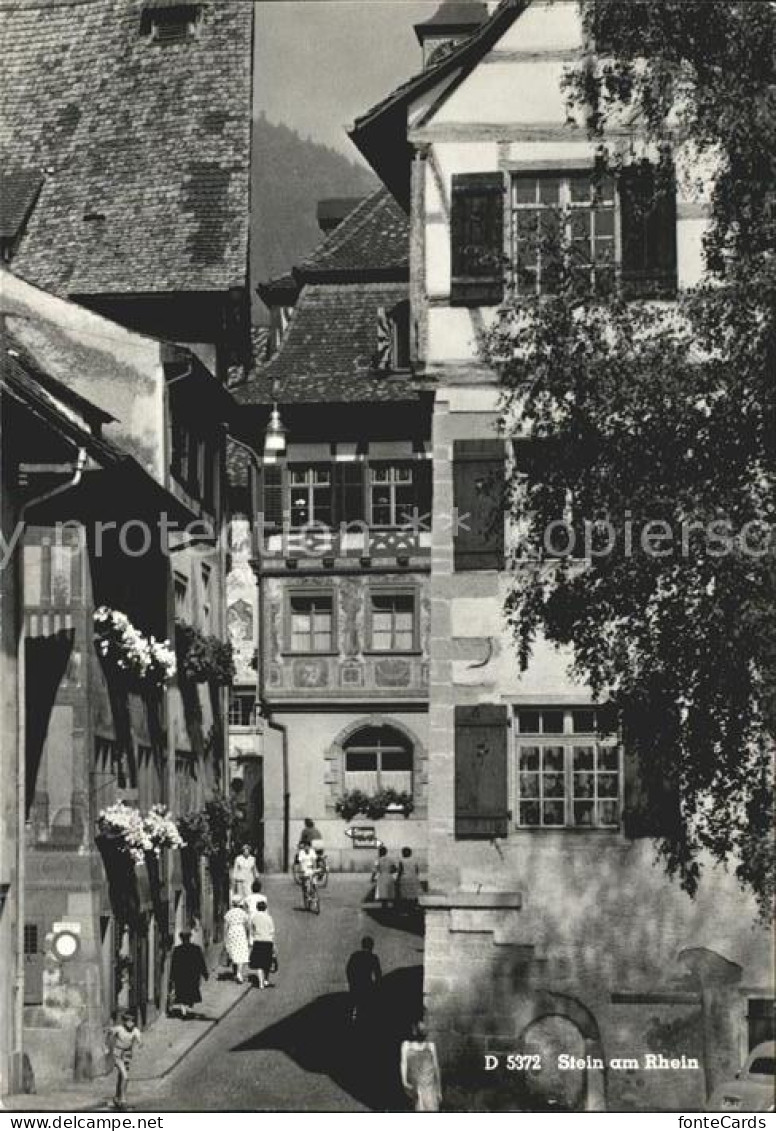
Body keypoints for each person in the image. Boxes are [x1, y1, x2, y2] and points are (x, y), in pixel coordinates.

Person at [401, 1020, 442, 1112]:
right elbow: (403, 1064)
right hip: (416, 1086)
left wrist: (439, 1090)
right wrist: (404, 1082)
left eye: (423, 1029)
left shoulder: (431, 1046)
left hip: (429, 1086)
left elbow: (436, 1068)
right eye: (420, 1029)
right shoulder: (406, 1045)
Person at [169, 930, 208, 1018]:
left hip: (181, 976)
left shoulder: (177, 950)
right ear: (190, 938)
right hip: (192, 975)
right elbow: (201, 962)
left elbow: (174, 965)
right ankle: (187, 1007)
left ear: (181, 939)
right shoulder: (196, 949)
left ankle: (183, 1009)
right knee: (191, 990)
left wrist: (172, 977)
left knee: (181, 992)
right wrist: (205, 974)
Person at [106, 1011, 141, 1110]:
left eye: (132, 1021)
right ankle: (123, 1099)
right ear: (124, 1021)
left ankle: (117, 1097)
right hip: (117, 1054)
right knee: (125, 1077)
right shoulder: (119, 1029)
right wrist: (107, 1047)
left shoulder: (135, 1031)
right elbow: (109, 1033)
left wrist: (140, 1044)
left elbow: (139, 1040)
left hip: (127, 1055)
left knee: (121, 1076)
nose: (130, 1023)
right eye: (128, 1021)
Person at [345, 935, 382, 1025]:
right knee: (366, 1005)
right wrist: (377, 985)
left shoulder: (355, 955)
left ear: (362, 945)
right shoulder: (373, 957)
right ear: (371, 946)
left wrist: (351, 981)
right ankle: (365, 1022)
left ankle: (350, 1021)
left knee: (353, 1003)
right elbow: (378, 973)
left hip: (355, 983)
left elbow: (348, 969)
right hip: (367, 984)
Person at [248, 897, 276, 989]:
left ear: (257, 908)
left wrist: (251, 940)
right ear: (265, 908)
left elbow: (251, 930)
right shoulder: (269, 917)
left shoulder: (254, 917)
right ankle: (266, 980)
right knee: (267, 962)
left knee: (259, 964)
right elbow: (272, 931)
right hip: (268, 942)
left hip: (258, 941)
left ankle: (260, 984)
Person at [223, 893, 250, 983]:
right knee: (241, 953)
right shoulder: (243, 913)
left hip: (231, 931)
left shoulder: (229, 913)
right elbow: (247, 925)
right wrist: (248, 934)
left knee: (233, 952)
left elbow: (225, 926)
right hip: (240, 931)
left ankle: (235, 973)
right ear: (239, 903)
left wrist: (225, 937)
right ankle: (239, 973)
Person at [397, 846, 421, 914]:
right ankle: (413, 909)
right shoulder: (414, 860)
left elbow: (400, 871)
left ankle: (406, 910)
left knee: (405, 895)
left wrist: (397, 880)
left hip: (404, 878)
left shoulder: (401, 861)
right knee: (413, 894)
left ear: (403, 853)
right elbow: (417, 871)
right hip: (413, 877)